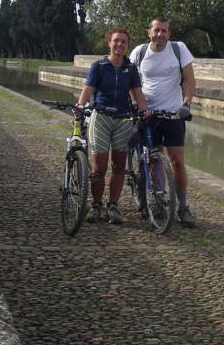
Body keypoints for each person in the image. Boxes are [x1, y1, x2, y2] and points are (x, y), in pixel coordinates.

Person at [130, 16, 197, 227]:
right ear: (149, 32)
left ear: (169, 33)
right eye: (156, 30)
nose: (160, 34)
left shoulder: (179, 49)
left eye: (164, 31)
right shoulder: (139, 52)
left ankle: (183, 207)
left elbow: (190, 78)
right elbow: (132, 82)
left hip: (173, 115)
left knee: (177, 160)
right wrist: (138, 104)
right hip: (148, 115)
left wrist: (186, 103)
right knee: (153, 159)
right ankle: (158, 200)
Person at [76, 28, 148, 225]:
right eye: (116, 41)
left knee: (119, 166)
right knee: (99, 167)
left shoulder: (131, 68)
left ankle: (113, 205)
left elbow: (137, 92)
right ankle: (96, 205)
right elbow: (88, 88)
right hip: (101, 117)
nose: (119, 45)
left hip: (123, 119)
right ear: (109, 43)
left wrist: (144, 110)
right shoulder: (98, 66)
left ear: (127, 45)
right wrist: (81, 105)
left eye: (123, 42)